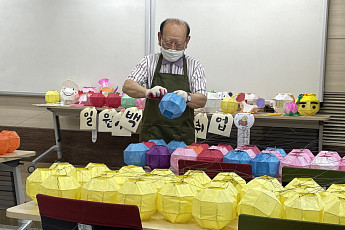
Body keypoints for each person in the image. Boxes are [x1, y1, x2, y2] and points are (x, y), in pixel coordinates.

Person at [122, 18, 207, 145]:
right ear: (159, 37)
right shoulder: (149, 62)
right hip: (152, 133)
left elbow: (202, 100)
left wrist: (188, 97)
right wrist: (147, 92)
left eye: (178, 44)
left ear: (187, 41)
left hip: (181, 136)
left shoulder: (194, 66)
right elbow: (127, 86)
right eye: (168, 42)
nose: (172, 48)